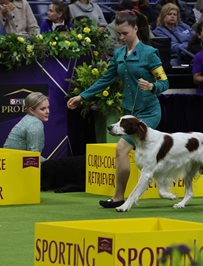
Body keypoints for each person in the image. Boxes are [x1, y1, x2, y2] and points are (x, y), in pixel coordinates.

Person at [67, 11, 169, 208]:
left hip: (148, 113)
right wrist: (82, 96)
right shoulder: (119, 54)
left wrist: (153, 87)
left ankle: (118, 198)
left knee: (121, 149)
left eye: (125, 33)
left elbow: (164, 82)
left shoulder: (149, 53)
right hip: (128, 114)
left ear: (135, 29)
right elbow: (105, 79)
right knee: (140, 153)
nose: (121, 38)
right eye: (118, 34)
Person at [3, 92, 49, 162]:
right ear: (31, 110)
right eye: (42, 109)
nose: (47, 111)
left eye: (48, 107)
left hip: (7, 162)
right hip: (15, 165)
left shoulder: (27, 118)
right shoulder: (35, 123)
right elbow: (33, 156)